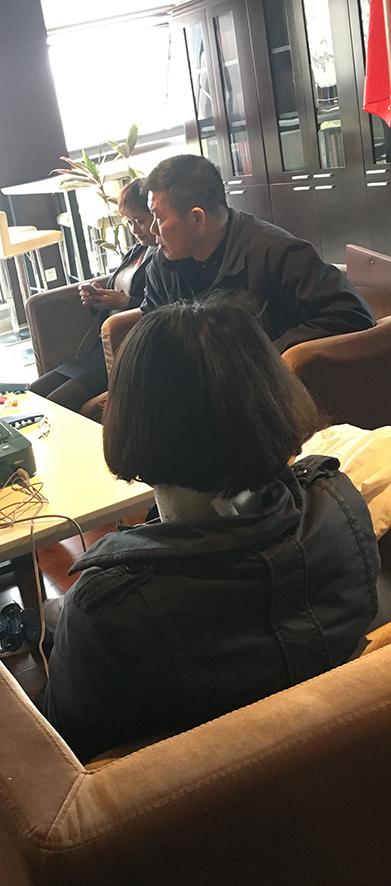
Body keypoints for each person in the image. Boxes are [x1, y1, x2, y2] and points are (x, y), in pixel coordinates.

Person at [40, 296, 381, 764]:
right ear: (272, 393)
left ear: (131, 416)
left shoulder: (106, 613)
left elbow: (66, 754)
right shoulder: (341, 502)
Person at [141, 154, 375, 351]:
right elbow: (153, 333)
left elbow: (352, 315)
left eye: (159, 218)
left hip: (264, 387)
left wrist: (269, 360)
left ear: (196, 218)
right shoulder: (162, 265)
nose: (152, 230)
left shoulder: (278, 253)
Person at [28, 180, 156, 412]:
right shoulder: (138, 250)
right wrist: (98, 299)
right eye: (129, 222)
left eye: (139, 221)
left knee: (55, 403)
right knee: (34, 392)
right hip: (100, 348)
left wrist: (125, 302)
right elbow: (119, 290)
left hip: (126, 347)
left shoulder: (165, 258)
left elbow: (161, 307)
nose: (135, 230)